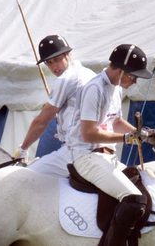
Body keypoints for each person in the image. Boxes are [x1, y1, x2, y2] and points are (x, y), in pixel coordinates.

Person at [66, 44, 155, 245]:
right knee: (134, 199)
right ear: (122, 70)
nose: (134, 81)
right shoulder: (94, 88)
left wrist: (139, 134)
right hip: (87, 156)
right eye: (133, 76)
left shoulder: (116, 89)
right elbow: (89, 133)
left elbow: (115, 122)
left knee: (144, 189)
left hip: (107, 157)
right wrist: (126, 139)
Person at [14, 34, 96, 177]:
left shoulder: (65, 79)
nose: (54, 67)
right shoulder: (90, 73)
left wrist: (23, 148)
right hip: (98, 147)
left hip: (75, 151)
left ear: (67, 55)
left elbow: (41, 122)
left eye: (57, 60)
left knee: (24, 176)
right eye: (49, 63)